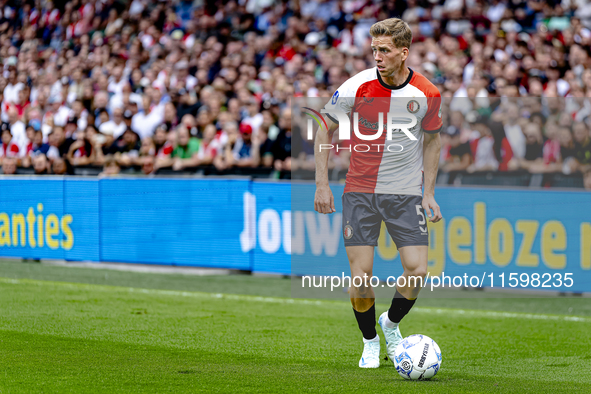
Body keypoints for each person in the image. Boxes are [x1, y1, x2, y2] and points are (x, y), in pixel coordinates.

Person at [314, 18, 442, 369]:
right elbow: (323, 128)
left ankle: (390, 323)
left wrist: (428, 192)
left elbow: (432, 140)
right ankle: (370, 342)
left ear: (404, 52)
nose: (377, 56)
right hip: (360, 192)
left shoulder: (427, 93)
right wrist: (322, 183)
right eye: (374, 49)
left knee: (417, 270)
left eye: (384, 50)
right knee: (361, 275)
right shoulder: (357, 86)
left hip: (404, 193)